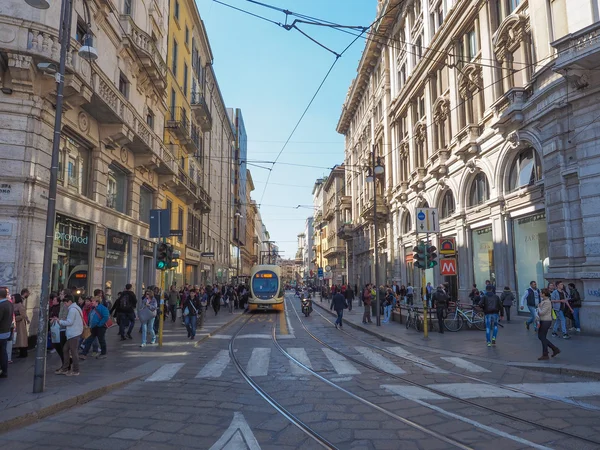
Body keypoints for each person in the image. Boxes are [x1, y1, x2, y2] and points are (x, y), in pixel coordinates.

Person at [53, 294, 83, 376]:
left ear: (69, 302)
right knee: (65, 349)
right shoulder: (76, 308)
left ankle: (76, 370)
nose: (65, 305)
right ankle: (65, 368)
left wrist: (60, 321)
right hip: (73, 333)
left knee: (73, 352)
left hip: (74, 333)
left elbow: (69, 322)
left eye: (66, 303)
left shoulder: (72, 310)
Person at [536, 288, 560, 360]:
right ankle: (554, 349)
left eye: (541, 292)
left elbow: (542, 313)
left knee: (542, 337)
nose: (540, 294)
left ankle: (546, 354)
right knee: (541, 337)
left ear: (544, 294)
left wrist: (538, 308)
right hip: (544, 320)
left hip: (546, 321)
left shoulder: (547, 302)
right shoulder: (544, 301)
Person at [0, 288, 14, 378]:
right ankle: (4, 370)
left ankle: (4, 370)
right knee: (3, 351)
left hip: (1, 331)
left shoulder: (2, 305)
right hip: (6, 331)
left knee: (2, 352)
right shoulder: (9, 304)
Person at [12, 294, 30, 358]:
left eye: (13, 298)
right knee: (19, 338)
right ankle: (21, 352)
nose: (12, 299)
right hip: (16, 324)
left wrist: (15, 318)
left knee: (22, 338)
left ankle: (24, 353)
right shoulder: (14, 305)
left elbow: (23, 315)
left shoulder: (20, 306)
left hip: (20, 324)